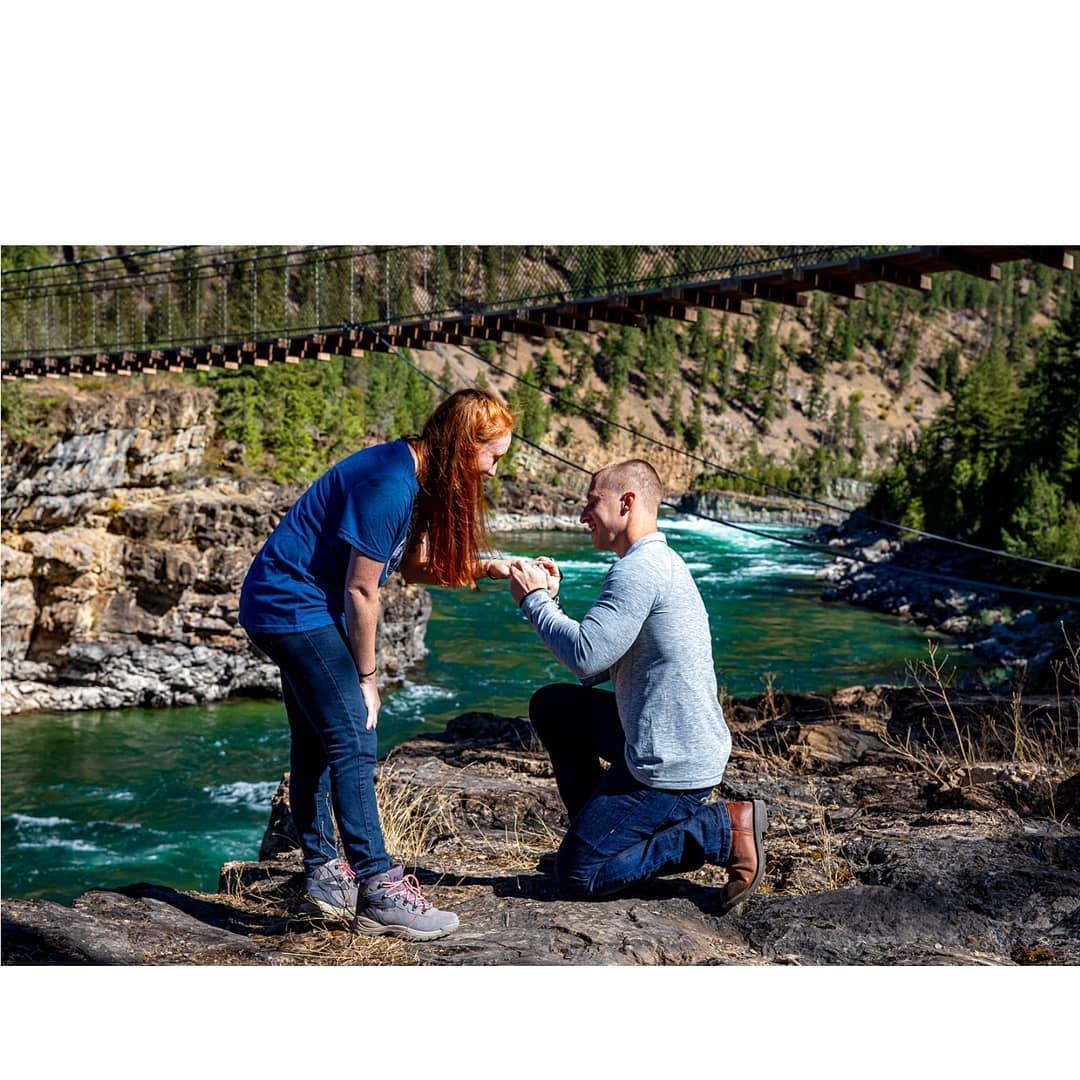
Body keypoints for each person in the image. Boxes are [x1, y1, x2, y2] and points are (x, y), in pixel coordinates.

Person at [239, 388, 515, 941]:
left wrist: (490, 568)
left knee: (317, 739)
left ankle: (323, 874)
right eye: (492, 456)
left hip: (288, 603)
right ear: (465, 446)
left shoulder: (416, 476)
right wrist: (368, 678)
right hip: (290, 607)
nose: (492, 471)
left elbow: (410, 568)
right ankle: (379, 889)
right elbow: (362, 591)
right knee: (354, 734)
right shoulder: (392, 484)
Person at [507, 459, 766, 911]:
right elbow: (596, 668)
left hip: (671, 763)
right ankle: (598, 835)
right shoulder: (652, 562)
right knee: (554, 706)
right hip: (665, 737)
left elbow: (584, 655)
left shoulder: (637, 571)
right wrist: (552, 600)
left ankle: (719, 829)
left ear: (626, 503)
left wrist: (535, 602)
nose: (582, 516)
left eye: (592, 503)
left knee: (578, 876)